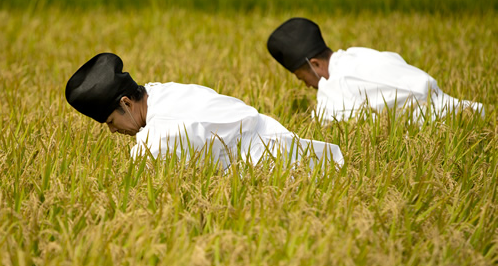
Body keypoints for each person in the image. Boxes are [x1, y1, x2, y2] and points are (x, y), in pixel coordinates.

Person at [65, 52, 344, 170]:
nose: (113, 130)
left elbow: (139, 183)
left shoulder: (158, 138)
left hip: (273, 170)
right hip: (287, 144)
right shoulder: (160, 91)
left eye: (111, 121)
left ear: (126, 103)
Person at [267, 17, 484, 122]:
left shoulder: (337, 84)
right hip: (466, 110)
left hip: (446, 122)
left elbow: (326, 124)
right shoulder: (358, 53)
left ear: (315, 64)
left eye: (301, 77)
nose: (305, 85)